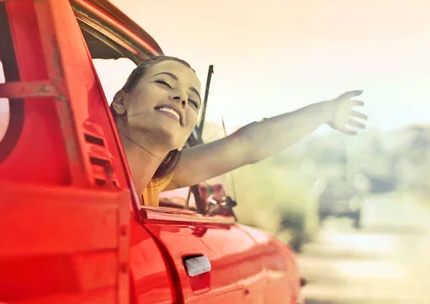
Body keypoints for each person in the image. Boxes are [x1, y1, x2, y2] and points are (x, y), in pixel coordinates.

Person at [110, 55, 367, 207]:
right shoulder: (78, 164)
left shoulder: (156, 182)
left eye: (194, 101)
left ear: (184, 137)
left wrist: (324, 112)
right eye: (165, 82)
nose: (181, 98)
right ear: (121, 101)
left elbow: (247, 145)